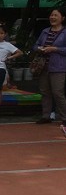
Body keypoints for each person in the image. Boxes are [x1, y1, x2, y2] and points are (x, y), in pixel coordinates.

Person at [32, 7, 66, 135]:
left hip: (59, 67)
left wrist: (55, 49)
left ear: (62, 18)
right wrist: (40, 48)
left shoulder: (65, 32)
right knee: (45, 91)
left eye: (56, 15)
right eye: (51, 15)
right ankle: (46, 115)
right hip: (43, 66)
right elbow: (35, 45)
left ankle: (64, 117)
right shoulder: (45, 31)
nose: (52, 17)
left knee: (58, 92)